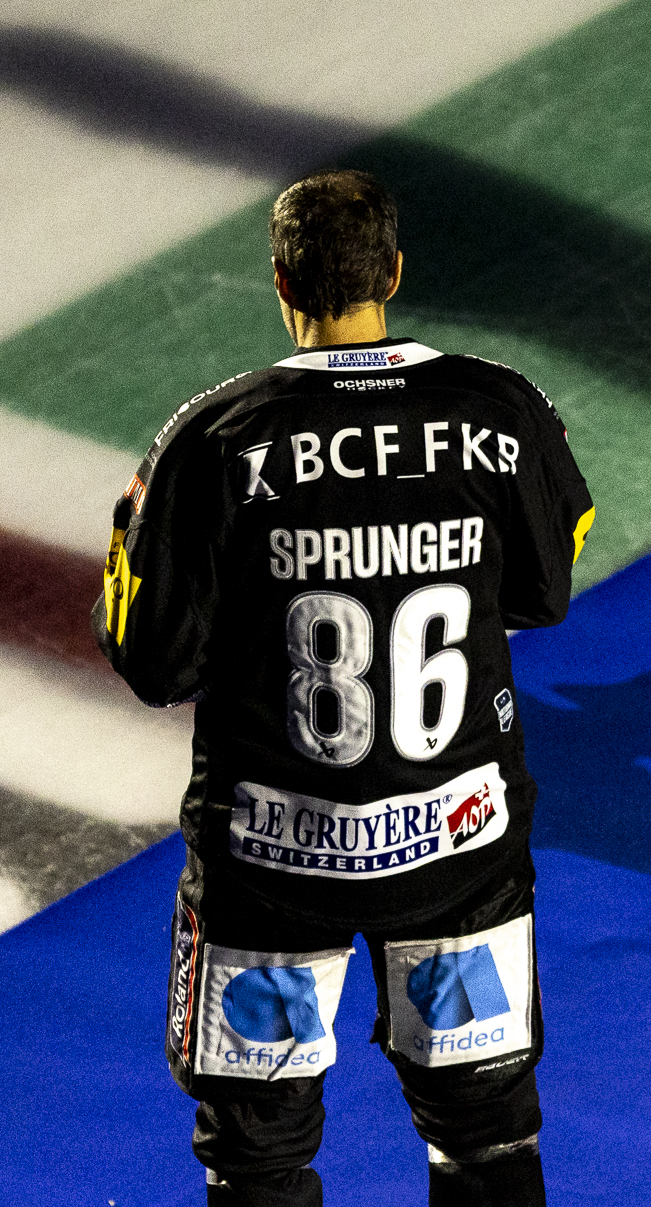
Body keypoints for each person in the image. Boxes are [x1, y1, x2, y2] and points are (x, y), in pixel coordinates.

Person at [96, 169, 594, 1207]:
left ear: (282, 282)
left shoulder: (215, 438)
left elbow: (152, 659)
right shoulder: (500, 410)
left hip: (272, 865)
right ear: (394, 274)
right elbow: (545, 589)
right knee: (485, 1135)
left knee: (259, 1157)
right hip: (459, 849)